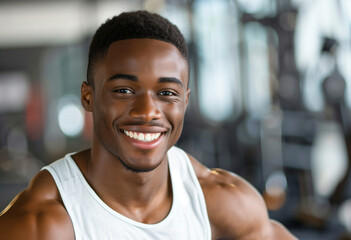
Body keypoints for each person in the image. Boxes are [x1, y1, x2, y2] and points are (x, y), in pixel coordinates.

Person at [0, 11, 297, 240]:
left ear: (186, 101)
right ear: (88, 97)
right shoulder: (43, 223)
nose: (147, 112)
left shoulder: (223, 202)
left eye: (167, 93)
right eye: (124, 91)